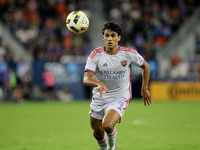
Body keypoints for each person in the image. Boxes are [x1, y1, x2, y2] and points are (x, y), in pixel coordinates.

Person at [83, 21, 152, 150]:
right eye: (107, 35)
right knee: (97, 133)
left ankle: (113, 147)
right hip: (100, 97)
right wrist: (97, 83)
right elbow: (86, 78)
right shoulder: (95, 55)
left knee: (107, 125)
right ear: (103, 37)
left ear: (119, 38)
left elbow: (145, 66)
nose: (110, 38)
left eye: (113, 35)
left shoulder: (129, 54)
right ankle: (104, 148)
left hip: (120, 96)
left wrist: (144, 88)